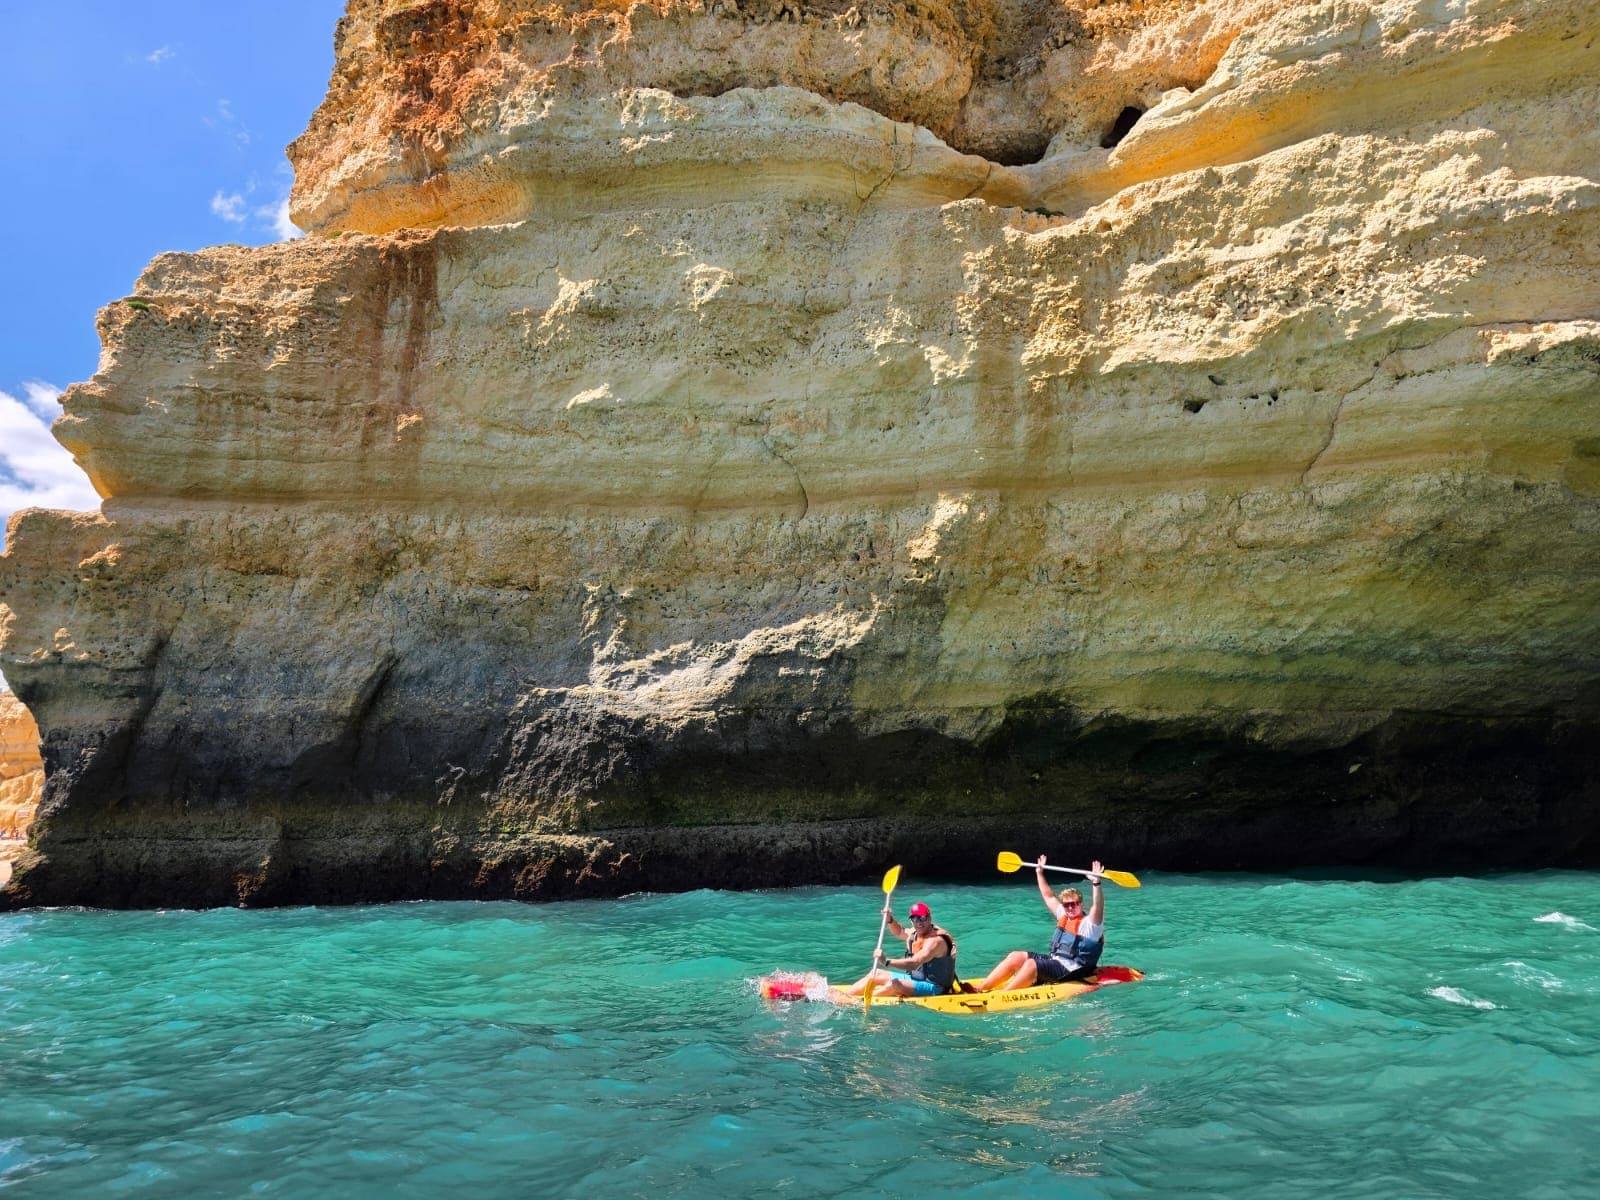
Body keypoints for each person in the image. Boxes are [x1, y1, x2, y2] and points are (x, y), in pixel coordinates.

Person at [977, 856, 1105, 992]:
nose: (1070, 908)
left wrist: (1096, 883)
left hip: (1073, 969)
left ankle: (1004, 995)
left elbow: (1098, 906)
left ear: (1081, 904)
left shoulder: (1090, 925)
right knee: (1016, 956)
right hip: (1056, 961)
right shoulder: (1064, 915)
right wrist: (1039, 872)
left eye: (1073, 904)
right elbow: (1048, 896)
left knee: (1032, 964)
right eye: (1067, 905)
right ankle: (980, 988)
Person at [842, 900, 959, 998]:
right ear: (911, 920)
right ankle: (845, 995)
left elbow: (914, 963)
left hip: (935, 988)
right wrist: (890, 920)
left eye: (922, 918)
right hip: (916, 979)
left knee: (895, 984)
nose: (919, 922)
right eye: (915, 919)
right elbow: (899, 932)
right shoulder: (915, 934)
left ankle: (857, 1003)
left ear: (929, 918)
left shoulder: (936, 941)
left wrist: (887, 961)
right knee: (876, 973)